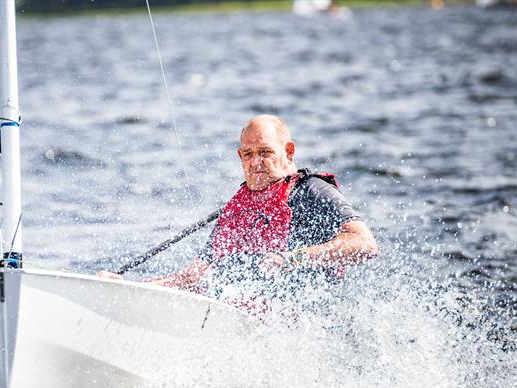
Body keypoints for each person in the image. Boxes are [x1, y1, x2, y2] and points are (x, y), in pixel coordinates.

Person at [100, 114, 379, 296]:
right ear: (240, 155)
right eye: (248, 154)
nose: (256, 162)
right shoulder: (238, 207)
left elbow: (365, 244)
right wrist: (130, 288)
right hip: (252, 324)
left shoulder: (313, 191)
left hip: (310, 325)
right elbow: (197, 275)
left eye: (266, 153)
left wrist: (294, 258)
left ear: (289, 151)